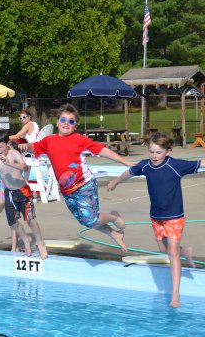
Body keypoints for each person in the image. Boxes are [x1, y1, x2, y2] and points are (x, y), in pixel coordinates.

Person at [107, 132, 205, 308]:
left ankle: (175, 294)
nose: (154, 156)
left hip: (174, 216)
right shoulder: (145, 166)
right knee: (164, 248)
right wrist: (116, 182)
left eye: (158, 152)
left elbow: (202, 163)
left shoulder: (175, 165)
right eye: (151, 152)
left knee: (172, 253)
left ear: (168, 151)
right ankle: (185, 251)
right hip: (156, 217)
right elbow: (129, 172)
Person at [23, 103, 133, 251]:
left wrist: (124, 161)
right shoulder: (49, 141)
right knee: (85, 220)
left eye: (71, 121)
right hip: (67, 191)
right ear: (57, 122)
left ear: (75, 125)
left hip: (84, 185)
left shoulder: (79, 139)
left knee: (91, 219)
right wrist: (25, 146)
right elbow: (35, 147)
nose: (66, 123)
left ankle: (114, 217)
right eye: (63, 120)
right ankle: (114, 234)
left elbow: (102, 150)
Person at [0, 130, 48, 259]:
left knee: (30, 219)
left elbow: (24, 167)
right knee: (12, 222)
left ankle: (40, 243)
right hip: (9, 192)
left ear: (7, 144)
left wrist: (9, 163)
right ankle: (25, 240)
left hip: (22, 191)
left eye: (0, 146)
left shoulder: (14, 153)